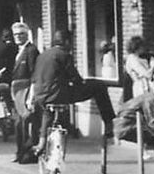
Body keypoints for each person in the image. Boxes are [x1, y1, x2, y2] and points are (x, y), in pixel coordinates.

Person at [32, 29, 116, 153]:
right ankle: (109, 124)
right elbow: (74, 77)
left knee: (47, 113)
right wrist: (83, 83)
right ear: (66, 42)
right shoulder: (64, 54)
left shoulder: (42, 56)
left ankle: (41, 142)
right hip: (59, 95)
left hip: (41, 96)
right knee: (99, 86)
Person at [9, 22, 40, 163]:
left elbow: (34, 73)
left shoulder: (31, 50)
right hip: (17, 92)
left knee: (27, 123)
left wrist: (31, 96)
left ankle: (28, 154)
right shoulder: (18, 50)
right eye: (15, 34)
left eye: (21, 34)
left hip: (26, 90)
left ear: (26, 35)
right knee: (18, 123)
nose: (18, 37)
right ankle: (20, 153)